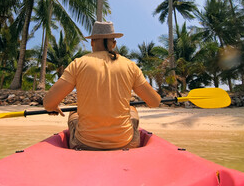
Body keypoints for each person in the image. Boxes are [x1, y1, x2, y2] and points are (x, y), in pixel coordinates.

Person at [43, 21, 161, 150]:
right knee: (132, 110)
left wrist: (53, 107)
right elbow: (154, 102)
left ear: (92, 42)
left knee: (74, 112)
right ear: (114, 44)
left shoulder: (78, 63)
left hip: (85, 143)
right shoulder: (130, 66)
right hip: (125, 142)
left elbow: (48, 103)